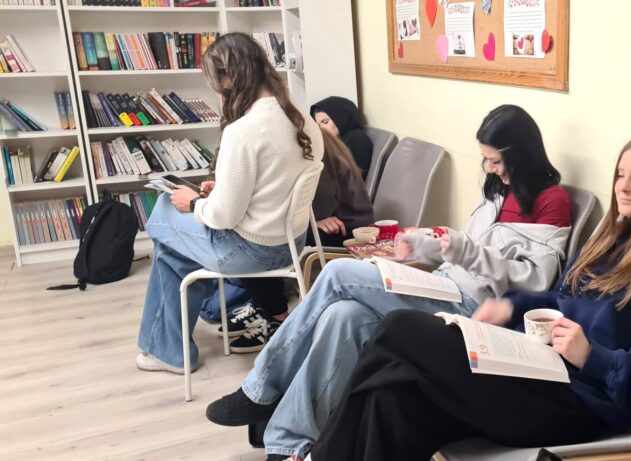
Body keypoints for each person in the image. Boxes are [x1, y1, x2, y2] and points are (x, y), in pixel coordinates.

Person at [309, 133, 631, 460]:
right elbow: (559, 300)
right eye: (620, 174)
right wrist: (512, 307)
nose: (623, 187)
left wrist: (593, 357)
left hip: (582, 403)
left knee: (399, 328)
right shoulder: (608, 243)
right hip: (538, 370)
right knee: (393, 396)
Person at [206, 105, 573, 460]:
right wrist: (424, 245)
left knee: (336, 273)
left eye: (496, 161)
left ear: (521, 154)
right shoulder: (497, 190)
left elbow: (536, 280)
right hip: (443, 284)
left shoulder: (551, 201)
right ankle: (288, 443)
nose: (490, 169)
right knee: (342, 315)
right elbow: (464, 251)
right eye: (486, 161)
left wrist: (465, 251)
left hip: (474, 309)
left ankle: (260, 387)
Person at [134, 33, 324, 374]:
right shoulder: (302, 118)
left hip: (249, 251)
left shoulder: (244, 130)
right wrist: (220, 189)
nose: (214, 91)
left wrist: (195, 202)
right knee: (175, 251)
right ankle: (170, 344)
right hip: (292, 244)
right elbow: (271, 185)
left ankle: (170, 350)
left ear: (228, 78)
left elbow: (223, 216)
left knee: (164, 210)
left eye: (214, 82)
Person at [220, 129, 375, 353]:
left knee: (256, 243)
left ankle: (276, 316)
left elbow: (319, 199)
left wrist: (317, 219)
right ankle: (263, 304)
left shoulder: (311, 151)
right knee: (259, 236)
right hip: (333, 222)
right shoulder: (311, 140)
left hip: (346, 230)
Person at [311, 96, 373, 180]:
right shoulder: (335, 142)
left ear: (340, 119)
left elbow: (352, 179)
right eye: (318, 125)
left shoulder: (357, 139)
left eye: (325, 122)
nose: (320, 129)